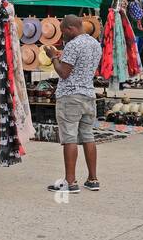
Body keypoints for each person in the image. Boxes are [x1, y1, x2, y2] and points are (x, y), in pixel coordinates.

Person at [43, 14, 102, 193]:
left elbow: (63, 72)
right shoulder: (95, 43)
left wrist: (53, 57)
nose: (62, 35)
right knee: (88, 136)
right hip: (88, 95)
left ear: (71, 28)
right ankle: (93, 179)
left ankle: (70, 182)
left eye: (63, 31)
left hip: (71, 97)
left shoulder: (73, 44)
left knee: (69, 138)